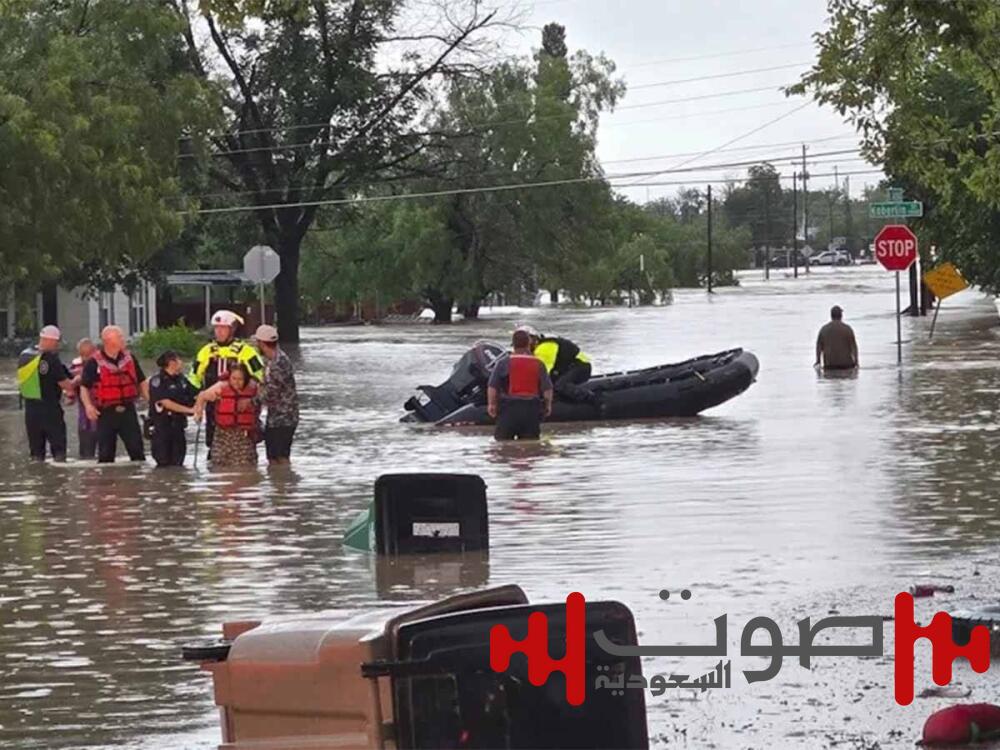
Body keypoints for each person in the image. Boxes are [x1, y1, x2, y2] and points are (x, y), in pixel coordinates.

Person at [188, 310, 264, 452]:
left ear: (232, 329)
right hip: (214, 407)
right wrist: (198, 401)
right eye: (217, 328)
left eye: (223, 328)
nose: (219, 332)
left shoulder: (247, 352)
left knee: (244, 448)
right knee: (213, 446)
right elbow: (194, 377)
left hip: (239, 405)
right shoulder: (206, 352)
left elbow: (259, 377)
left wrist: (249, 398)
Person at [80, 325, 150, 463]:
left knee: (137, 452)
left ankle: (138, 476)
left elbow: (141, 382)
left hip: (128, 410)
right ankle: (108, 476)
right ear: (108, 340)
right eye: (120, 337)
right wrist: (88, 406)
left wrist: (151, 401)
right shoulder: (93, 362)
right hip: (106, 412)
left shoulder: (130, 358)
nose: (124, 339)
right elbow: (84, 387)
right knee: (106, 455)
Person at [17, 325, 74, 461]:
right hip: (50, 410)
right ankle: (59, 474)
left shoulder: (25, 355)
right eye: (56, 342)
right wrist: (79, 380)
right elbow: (66, 384)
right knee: (59, 452)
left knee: (36, 454)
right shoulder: (50, 358)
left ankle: (38, 472)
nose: (57, 346)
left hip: (30, 410)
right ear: (50, 340)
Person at [487, 329, 554, 441]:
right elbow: (547, 388)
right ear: (529, 343)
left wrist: (491, 404)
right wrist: (548, 406)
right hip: (531, 409)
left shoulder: (503, 362)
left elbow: (492, 386)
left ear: (513, 344)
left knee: (502, 444)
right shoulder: (539, 363)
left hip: (509, 409)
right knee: (530, 445)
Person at [194, 363, 260, 467]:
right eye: (234, 378)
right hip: (223, 434)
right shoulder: (221, 386)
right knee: (220, 465)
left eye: (240, 379)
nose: (236, 382)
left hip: (245, 435)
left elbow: (267, 396)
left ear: (246, 379)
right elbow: (202, 396)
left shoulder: (254, 387)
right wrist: (198, 412)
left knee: (246, 466)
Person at [518, 325, 598, 404]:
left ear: (533, 339)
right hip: (567, 368)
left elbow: (543, 374)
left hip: (581, 366)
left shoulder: (544, 348)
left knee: (560, 386)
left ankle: (594, 399)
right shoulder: (535, 349)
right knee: (553, 383)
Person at [254, 324, 299, 465]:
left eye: (257, 342)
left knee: (281, 457)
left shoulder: (279, 363)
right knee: (272, 457)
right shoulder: (270, 360)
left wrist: (252, 401)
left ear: (262, 344)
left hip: (285, 418)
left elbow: (271, 392)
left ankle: (284, 478)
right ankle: (278, 478)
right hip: (275, 417)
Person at [148, 351, 197, 467]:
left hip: (178, 426)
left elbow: (196, 394)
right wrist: (189, 410)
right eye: (179, 359)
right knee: (163, 463)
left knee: (179, 463)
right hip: (162, 428)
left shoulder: (182, 379)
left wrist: (199, 407)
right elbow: (166, 403)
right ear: (172, 362)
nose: (181, 362)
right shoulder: (157, 381)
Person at [69, 338, 98, 459]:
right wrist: (70, 392)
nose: (85, 358)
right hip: (84, 412)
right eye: (82, 355)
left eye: (88, 354)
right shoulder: (75, 366)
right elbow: (69, 388)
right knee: (85, 449)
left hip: (101, 409)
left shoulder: (102, 363)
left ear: (95, 351)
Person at [815, 305, 859, 370]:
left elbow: (818, 347)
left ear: (831, 316)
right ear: (841, 315)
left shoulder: (824, 329)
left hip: (830, 365)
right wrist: (856, 362)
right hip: (846, 365)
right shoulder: (847, 329)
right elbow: (854, 347)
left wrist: (818, 361)